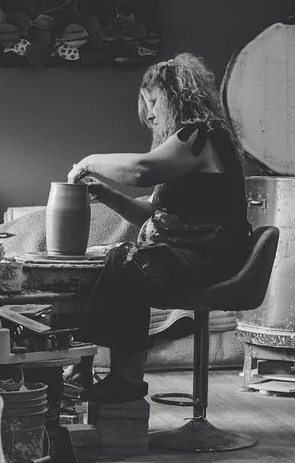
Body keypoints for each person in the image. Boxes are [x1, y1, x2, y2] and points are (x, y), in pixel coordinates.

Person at [65, 54, 255, 407]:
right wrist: (107, 195)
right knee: (121, 259)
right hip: (195, 251)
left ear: (176, 95)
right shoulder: (189, 146)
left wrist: (90, 162)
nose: (149, 115)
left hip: (213, 255)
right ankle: (97, 370)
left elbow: (141, 171)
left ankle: (126, 378)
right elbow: (151, 214)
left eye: (153, 103)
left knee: (128, 263)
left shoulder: (201, 135)